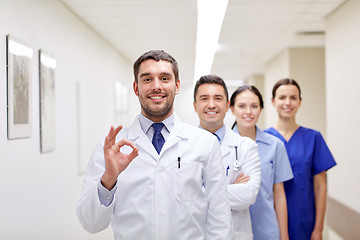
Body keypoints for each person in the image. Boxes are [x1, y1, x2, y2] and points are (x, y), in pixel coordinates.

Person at [77, 50, 234, 240]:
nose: (156, 86)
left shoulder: (204, 143)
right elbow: (90, 223)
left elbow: (220, 216)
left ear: (176, 86)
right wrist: (109, 179)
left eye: (165, 78)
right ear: (136, 88)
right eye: (147, 79)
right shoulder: (112, 146)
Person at [265, 78, 337, 240]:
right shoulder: (263, 139)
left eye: (293, 97)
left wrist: (318, 229)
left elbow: (320, 187)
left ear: (300, 101)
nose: (287, 102)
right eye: (282, 97)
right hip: (270, 220)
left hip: (305, 221)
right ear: (273, 101)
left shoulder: (313, 138)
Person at [193, 75, 261, 240]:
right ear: (195, 106)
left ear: (227, 104)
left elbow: (248, 194)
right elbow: (178, 196)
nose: (211, 104)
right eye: (204, 98)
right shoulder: (181, 147)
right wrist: (230, 187)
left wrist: (198, 191)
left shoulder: (246, 147)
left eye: (218, 98)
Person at [229, 85, 293, 240]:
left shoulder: (275, 145)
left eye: (254, 106)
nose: (248, 112)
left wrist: (284, 236)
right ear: (231, 109)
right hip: (232, 230)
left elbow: (279, 195)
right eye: (242, 106)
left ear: (261, 109)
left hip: (267, 230)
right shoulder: (220, 145)